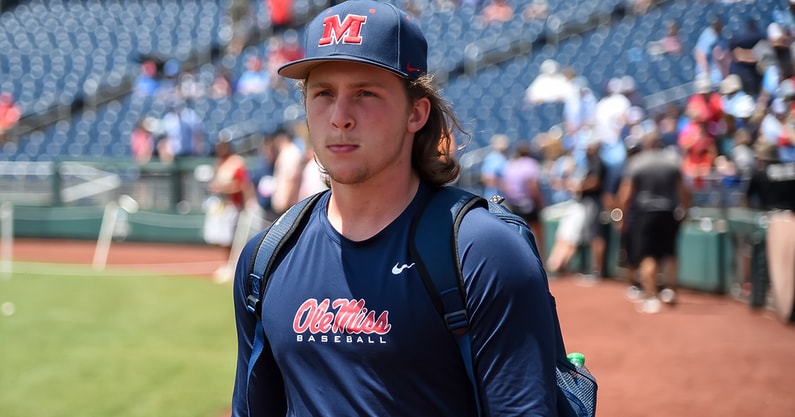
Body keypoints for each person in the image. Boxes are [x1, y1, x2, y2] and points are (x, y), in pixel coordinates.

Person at [230, 1, 557, 415]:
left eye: (365, 93)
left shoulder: (483, 252)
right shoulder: (267, 257)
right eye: (323, 94)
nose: (340, 117)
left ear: (416, 112)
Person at [616, 134, 690, 314]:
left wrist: (621, 215)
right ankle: (670, 290)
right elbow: (684, 191)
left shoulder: (637, 162)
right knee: (669, 252)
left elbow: (626, 193)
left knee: (647, 255)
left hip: (645, 214)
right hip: (668, 212)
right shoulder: (672, 162)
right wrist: (685, 210)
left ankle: (651, 296)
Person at [745, 142, 795, 323]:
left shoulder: (759, 172)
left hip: (770, 219)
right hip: (792, 220)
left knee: (761, 258)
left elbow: (747, 198)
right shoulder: (791, 170)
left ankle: (759, 298)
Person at [205, 134, 255, 281]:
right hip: (221, 205)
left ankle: (232, 266)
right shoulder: (220, 162)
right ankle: (226, 264)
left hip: (233, 205)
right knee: (220, 237)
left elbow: (243, 185)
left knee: (231, 238)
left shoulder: (236, 163)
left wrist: (224, 189)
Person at [480, 133, 510, 199]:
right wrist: (504, 187)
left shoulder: (498, 158)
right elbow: (487, 178)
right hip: (495, 196)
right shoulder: (495, 158)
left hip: (499, 196)